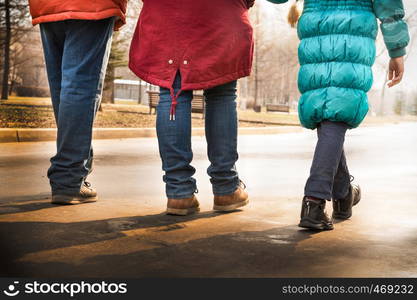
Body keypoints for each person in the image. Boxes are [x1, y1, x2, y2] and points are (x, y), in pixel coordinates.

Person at [268, 0, 410, 230]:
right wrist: (397, 49)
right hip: (353, 28)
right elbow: (388, 6)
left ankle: (343, 194)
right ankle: (314, 202)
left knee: (328, 111)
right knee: (335, 110)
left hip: (317, 24)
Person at [129, 0, 255, 215]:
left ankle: (179, 192)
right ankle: (226, 188)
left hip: (167, 13)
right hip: (220, 13)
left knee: (172, 93)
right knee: (222, 95)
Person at [28, 0, 127, 204]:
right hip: (92, 5)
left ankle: (71, 174)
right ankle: (68, 177)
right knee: (79, 87)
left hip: (47, 4)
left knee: (63, 88)